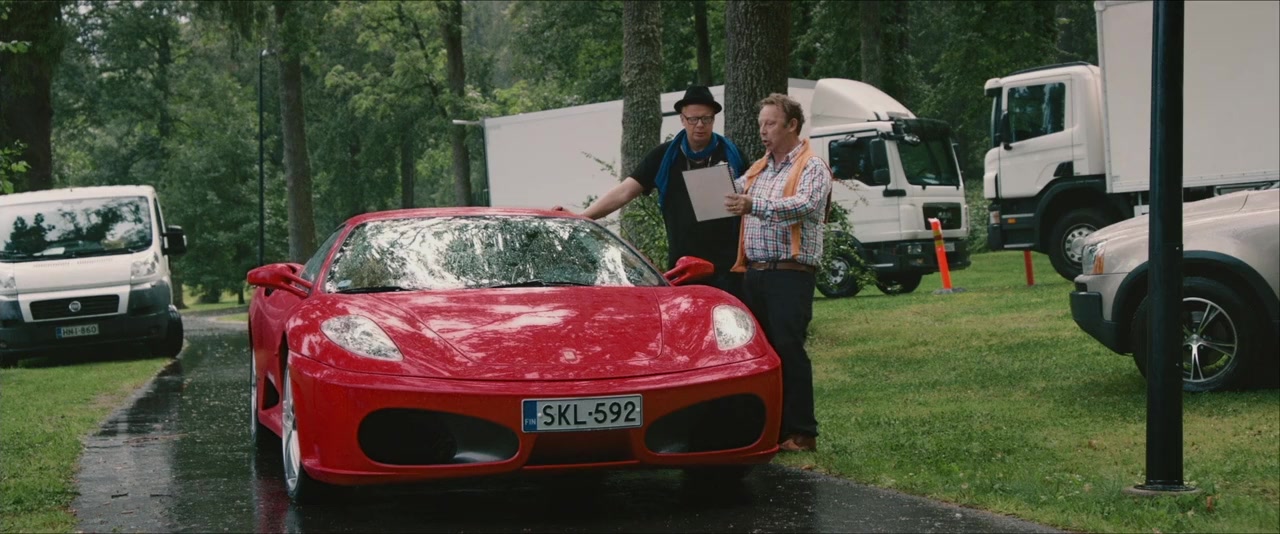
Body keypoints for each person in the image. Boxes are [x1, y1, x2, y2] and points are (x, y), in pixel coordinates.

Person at [556, 86, 748, 301]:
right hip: (683, 267)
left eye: (706, 119)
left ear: (713, 119)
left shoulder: (733, 155)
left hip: (728, 268)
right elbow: (624, 192)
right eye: (693, 119)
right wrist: (581, 217)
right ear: (682, 119)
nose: (700, 125)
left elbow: (751, 201)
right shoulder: (664, 156)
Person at [724, 93, 832, 453]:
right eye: (761, 124)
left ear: (792, 125)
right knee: (760, 353)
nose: (763, 131)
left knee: (788, 348)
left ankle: (802, 432)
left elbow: (804, 205)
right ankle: (769, 430)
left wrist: (753, 205)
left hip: (790, 274)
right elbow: (731, 195)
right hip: (754, 273)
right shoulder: (758, 169)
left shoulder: (812, 166)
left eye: (770, 123)